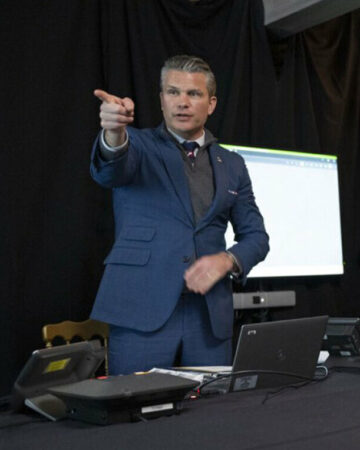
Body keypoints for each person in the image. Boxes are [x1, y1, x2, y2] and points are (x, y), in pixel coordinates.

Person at [90, 55, 269, 374]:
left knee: (212, 405)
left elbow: (256, 237)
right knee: (137, 403)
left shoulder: (233, 164)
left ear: (211, 104)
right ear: (161, 100)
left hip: (208, 318)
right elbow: (110, 170)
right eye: (173, 92)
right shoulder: (137, 145)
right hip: (141, 310)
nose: (182, 102)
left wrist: (227, 260)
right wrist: (114, 132)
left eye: (193, 94)